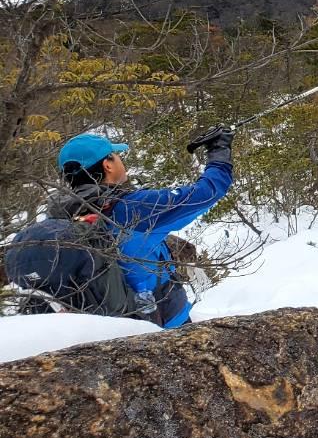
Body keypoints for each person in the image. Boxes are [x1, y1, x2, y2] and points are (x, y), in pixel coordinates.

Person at [9, 128, 234, 328]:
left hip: (99, 330)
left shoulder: (58, 217)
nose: (121, 160)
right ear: (107, 165)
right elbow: (208, 191)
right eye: (117, 156)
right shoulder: (134, 207)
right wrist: (219, 151)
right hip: (161, 325)